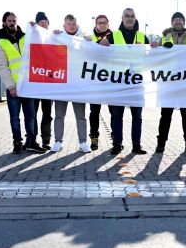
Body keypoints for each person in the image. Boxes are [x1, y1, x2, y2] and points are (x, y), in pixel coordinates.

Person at [99, 8, 149, 155]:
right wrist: (101, 44)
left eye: (132, 16)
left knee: (137, 116)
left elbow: (150, 56)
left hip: (136, 82)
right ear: (122, 18)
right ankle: (117, 144)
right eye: (127, 16)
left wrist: (154, 48)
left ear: (135, 18)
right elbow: (99, 50)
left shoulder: (142, 36)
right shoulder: (114, 35)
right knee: (116, 115)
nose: (129, 18)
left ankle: (136, 145)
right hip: (118, 82)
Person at [0, 11, 45, 154]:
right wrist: (10, 86)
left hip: (28, 86)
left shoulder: (25, 37)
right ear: (4, 22)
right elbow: (2, 67)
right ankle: (17, 142)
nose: (12, 23)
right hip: (14, 87)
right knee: (15, 118)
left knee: (30, 117)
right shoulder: (1, 43)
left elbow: (41, 41)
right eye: (9, 21)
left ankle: (31, 142)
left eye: (14, 21)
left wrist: (37, 28)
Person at [155, 12, 186, 154]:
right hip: (168, 82)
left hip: (185, 82)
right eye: (175, 20)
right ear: (172, 22)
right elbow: (157, 53)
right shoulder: (165, 36)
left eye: (180, 19)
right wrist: (162, 45)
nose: (178, 21)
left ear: (184, 22)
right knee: (166, 115)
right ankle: (161, 143)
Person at [50, 15, 91, 153]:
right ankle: (57, 142)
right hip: (61, 83)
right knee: (59, 115)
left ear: (76, 24)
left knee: (80, 116)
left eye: (73, 23)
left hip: (78, 84)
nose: (72, 26)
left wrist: (90, 42)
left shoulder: (84, 38)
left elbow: (92, 53)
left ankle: (83, 142)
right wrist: (51, 35)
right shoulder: (58, 37)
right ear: (64, 24)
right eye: (69, 24)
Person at [84, 14, 112, 150]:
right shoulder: (89, 38)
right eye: (99, 23)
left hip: (112, 80)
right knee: (94, 112)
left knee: (114, 111)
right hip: (95, 81)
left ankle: (115, 138)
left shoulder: (114, 36)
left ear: (108, 24)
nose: (102, 25)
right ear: (96, 24)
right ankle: (94, 138)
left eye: (104, 23)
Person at [32, 11, 54, 150]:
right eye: (41, 23)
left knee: (47, 114)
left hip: (48, 85)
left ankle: (46, 140)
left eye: (45, 23)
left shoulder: (53, 38)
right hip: (34, 84)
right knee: (32, 114)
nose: (43, 25)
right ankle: (32, 139)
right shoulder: (31, 38)